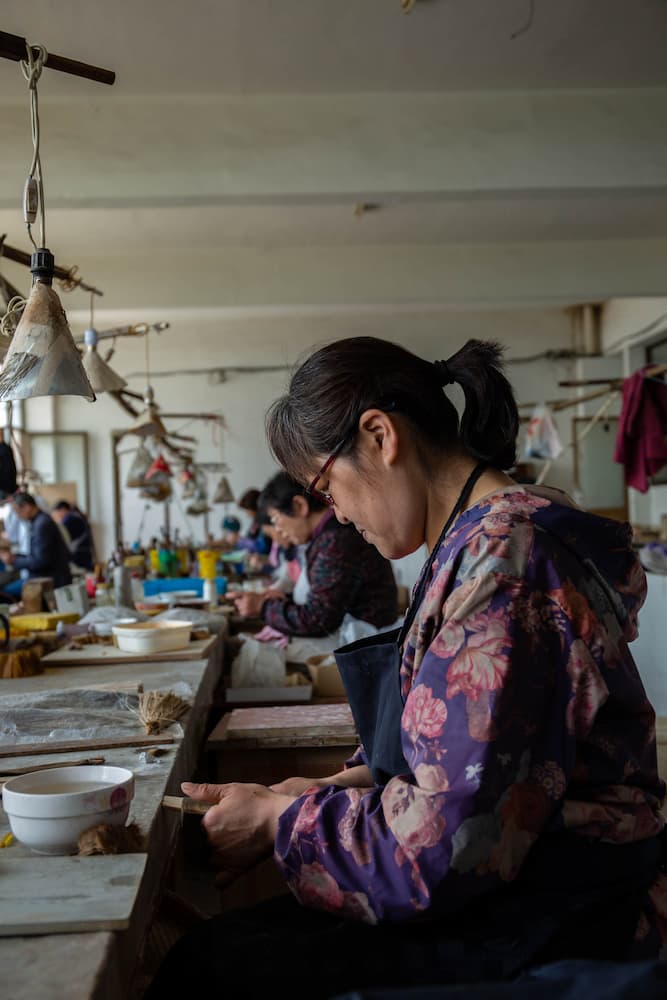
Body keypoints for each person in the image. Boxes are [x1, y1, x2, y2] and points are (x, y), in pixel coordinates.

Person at [146, 337, 666, 1000]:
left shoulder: (503, 573)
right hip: (518, 879)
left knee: (214, 973)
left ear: (379, 435)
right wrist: (334, 786)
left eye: (326, 486)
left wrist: (280, 824)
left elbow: (443, 850)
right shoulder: (480, 541)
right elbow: (467, 747)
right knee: (220, 952)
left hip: (558, 914)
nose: (335, 512)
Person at [229, 470, 399, 637]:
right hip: (353, 634)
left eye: (276, 519)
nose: (278, 530)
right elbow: (326, 599)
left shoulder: (336, 540)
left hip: (367, 643)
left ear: (299, 506)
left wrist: (263, 607)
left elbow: (318, 619)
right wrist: (284, 599)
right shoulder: (327, 537)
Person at [0, 492, 72, 589]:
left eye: (18, 511)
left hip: (52, 580)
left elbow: (41, 561)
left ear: (26, 506)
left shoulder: (42, 524)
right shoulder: (39, 521)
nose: (18, 516)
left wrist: (14, 560)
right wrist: (16, 557)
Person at [51, 500, 94, 571]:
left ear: (62, 510)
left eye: (56, 514)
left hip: (79, 555)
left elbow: (62, 536)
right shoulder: (76, 516)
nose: (57, 517)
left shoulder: (69, 519)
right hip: (84, 554)